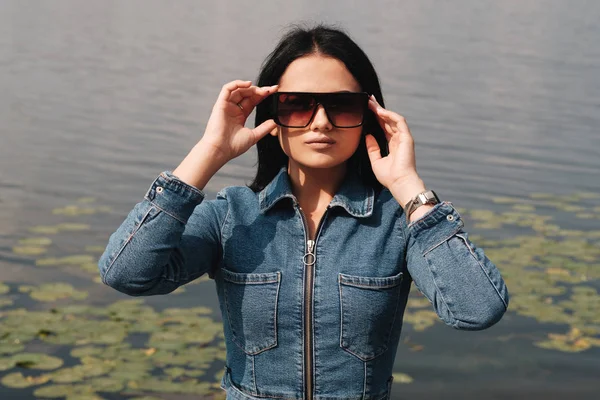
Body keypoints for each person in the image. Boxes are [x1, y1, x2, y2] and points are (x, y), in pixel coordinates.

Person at [98, 23, 509, 400]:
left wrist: (407, 188)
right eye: (298, 105)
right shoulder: (232, 216)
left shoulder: (395, 223)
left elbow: (477, 309)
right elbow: (127, 273)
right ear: (273, 114)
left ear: (369, 116)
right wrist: (209, 153)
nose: (321, 122)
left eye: (342, 106)